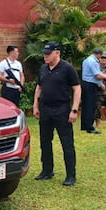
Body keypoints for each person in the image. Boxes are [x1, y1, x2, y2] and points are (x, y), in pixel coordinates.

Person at [33, 42, 81, 186]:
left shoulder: (67, 68)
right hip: (45, 109)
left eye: (48, 54)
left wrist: (74, 109)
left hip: (62, 109)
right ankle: (47, 170)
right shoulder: (43, 69)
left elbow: (77, 89)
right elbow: (39, 87)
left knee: (67, 143)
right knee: (45, 141)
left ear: (57, 53)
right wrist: (35, 105)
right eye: (44, 54)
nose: (45, 56)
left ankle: (70, 175)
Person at [80, 48, 105, 134]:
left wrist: (100, 84)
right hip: (90, 85)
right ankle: (90, 127)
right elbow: (97, 75)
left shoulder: (86, 60)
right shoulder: (93, 61)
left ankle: (84, 125)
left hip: (85, 84)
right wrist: (105, 76)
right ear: (98, 54)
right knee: (90, 106)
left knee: (85, 105)